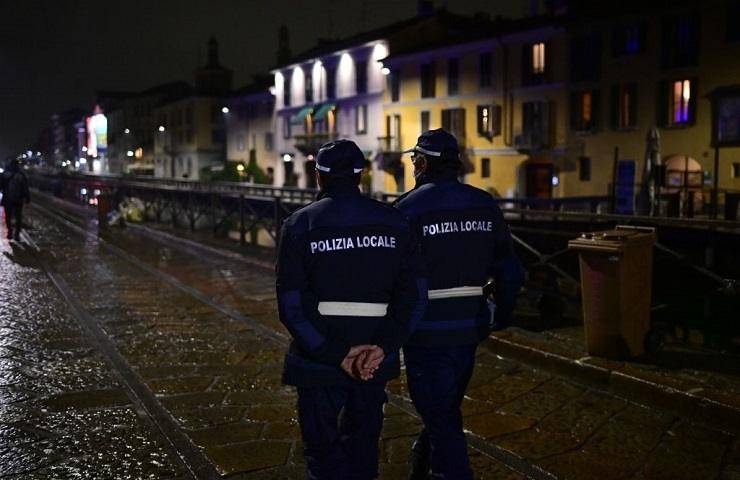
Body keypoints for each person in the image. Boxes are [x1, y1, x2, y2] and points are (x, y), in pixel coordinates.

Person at [275, 139, 427, 480]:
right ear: (361, 174)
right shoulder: (395, 222)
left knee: (323, 453)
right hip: (373, 360)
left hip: (317, 361)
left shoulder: (300, 225)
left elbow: (291, 304)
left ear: (319, 176)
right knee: (363, 448)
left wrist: (335, 353)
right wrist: (383, 347)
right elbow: (414, 296)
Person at [393, 129, 524, 480]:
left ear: (421, 163)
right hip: (468, 328)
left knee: (441, 417)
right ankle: (422, 465)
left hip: (425, 332)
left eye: (413, 160)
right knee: (444, 410)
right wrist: (501, 314)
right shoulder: (484, 204)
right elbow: (510, 270)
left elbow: (389, 277)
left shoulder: (406, 209)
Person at [0, 159, 31, 241]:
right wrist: (27, 198)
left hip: (7, 199)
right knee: (18, 217)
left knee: (8, 217)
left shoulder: (5, 175)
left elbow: (1, 186)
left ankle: (10, 232)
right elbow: (25, 188)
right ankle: (17, 234)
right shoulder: (21, 175)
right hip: (18, 199)